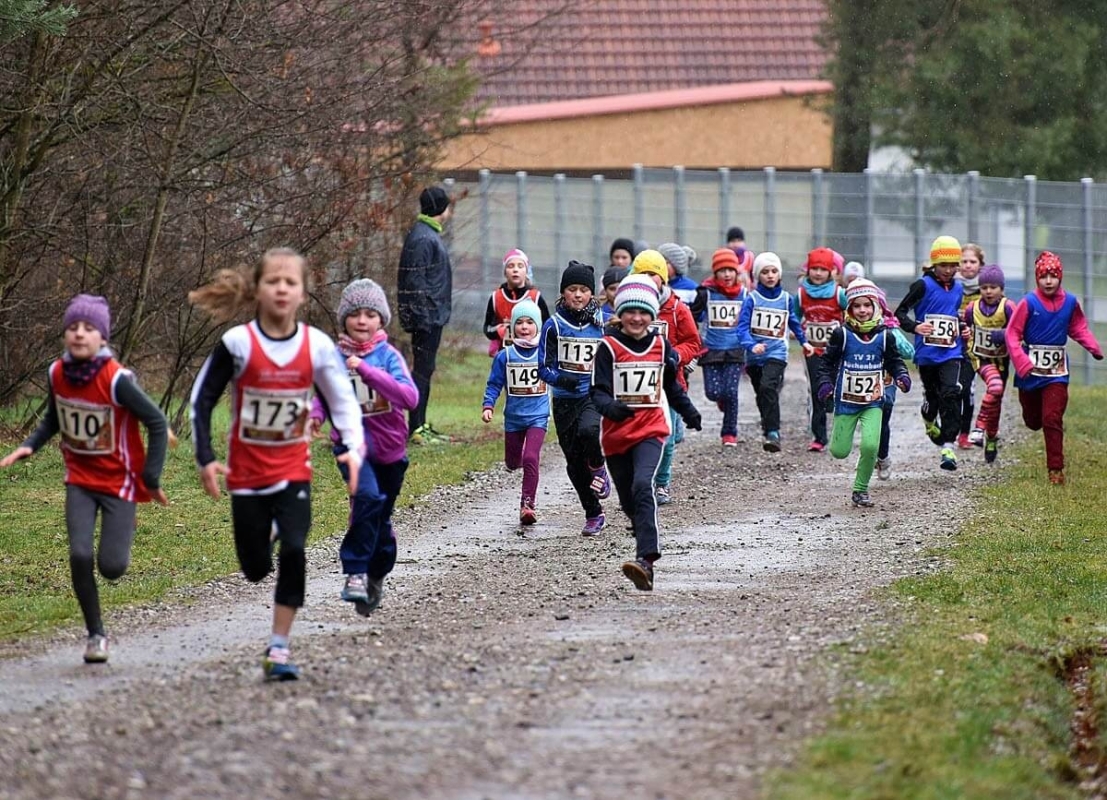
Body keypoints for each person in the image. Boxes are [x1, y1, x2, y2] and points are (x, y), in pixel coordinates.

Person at [189, 248, 365, 681]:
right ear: (258, 290)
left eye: (291, 283)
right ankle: (263, 538)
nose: (282, 289)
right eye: (274, 282)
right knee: (253, 570)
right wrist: (206, 458)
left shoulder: (317, 346)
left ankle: (280, 646)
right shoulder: (237, 344)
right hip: (246, 474)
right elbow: (202, 400)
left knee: (295, 547)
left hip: (292, 469)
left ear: (303, 293)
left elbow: (343, 402)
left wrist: (354, 450)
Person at [1, 295, 169, 665]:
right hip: (79, 480)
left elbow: (157, 423)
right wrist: (29, 446)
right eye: (73, 327)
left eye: (89, 328)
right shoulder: (56, 373)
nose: (79, 334)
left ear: (103, 338)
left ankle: (121, 528)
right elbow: (54, 419)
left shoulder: (118, 380)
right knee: (79, 554)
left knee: (112, 567)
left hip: (119, 484)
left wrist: (151, 477)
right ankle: (96, 634)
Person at [309, 278, 417, 615]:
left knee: (380, 521)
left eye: (370, 314)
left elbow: (409, 397)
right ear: (344, 319)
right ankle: (354, 572)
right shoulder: (334, 358)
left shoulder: (388, 357)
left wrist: (369, 372)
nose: (361, 320)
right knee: (366, 498)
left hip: (390, 450)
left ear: (381, 320)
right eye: (355, 313)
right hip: (351, 447)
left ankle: (375, 576)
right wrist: (314, 416)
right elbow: (323, 396)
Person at [591, 275, 701, 591]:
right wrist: (611, 408)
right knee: (628, 502)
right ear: (620, 312)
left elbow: (670, 385)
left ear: (652, 315)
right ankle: (644, 556)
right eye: (631, 312)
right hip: (615, 437)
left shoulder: (660, 344)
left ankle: (646, 560)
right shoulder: (608, 347)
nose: (637, 319)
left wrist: (689, 412)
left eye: (644, 313)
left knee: (643, 486)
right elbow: (596, 393)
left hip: (651, 429)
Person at [1006, 251, 1103, 485]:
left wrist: (1092, 346)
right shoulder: (1028, 302)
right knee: (1033, 421)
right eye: (1043, 276)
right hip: (1030, 373)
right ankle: (1033, 417)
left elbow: (1078, 327)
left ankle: (1056, 470)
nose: (1048, 281)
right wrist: (1022, 361)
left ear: (1060, 277)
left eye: (1053, 276)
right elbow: (1012, 334)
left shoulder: (1069, 303)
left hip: (1056, 374)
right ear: (1037, 278)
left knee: (1052, 418)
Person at [816, 279, 911, 507]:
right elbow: (827, 363)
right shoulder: (842, 334)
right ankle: (863, 463)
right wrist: (825, 384)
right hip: (847, 401)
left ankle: (860, 489)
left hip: (873, 402)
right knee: (839, 451)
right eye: (857, 306)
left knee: (870, 446)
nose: (862, 310)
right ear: (849, 309)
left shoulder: (885, 336)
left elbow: (895, 361)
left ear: (876, 307)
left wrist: (901, 376)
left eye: (867, 305)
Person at [538, 260, 609, 536]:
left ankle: (599, 466)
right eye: (572, 289)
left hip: (592, 395)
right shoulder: (553, 326)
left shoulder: (601, 325)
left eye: (583, 290)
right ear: (563, 294)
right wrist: (560, 378)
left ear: (591, 294)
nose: (578, 295)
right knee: (573, 463)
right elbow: (543, 368)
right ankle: (593, 513)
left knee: (590, 431)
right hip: (564, 400)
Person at [630, 249, 702, 505]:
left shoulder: (676, 308)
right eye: (642, 274)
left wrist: (674, 357)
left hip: (669, 384)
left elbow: (693, 342)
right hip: (636, 385)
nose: (649, 279)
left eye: (654, 274)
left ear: (663, 277)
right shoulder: (628, 308)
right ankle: (641, 481)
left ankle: (661, 484)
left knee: (667, 438)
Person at [895, 235, 965, 471]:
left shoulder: (959, 288)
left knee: (951, 392)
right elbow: (900, 313)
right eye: (943, 265)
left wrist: (961, 326)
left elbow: (952, 314)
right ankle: (928, 417)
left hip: (951, 352)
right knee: (934, 398)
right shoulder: (922, 285)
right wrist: (915, 327)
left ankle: (948, 445)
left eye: (953, 265)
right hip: (927, 354)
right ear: (934, 264)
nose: (948, 270)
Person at [736, 252, 814, 452]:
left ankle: (773, 433)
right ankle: (767, 423)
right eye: (765, 272)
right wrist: (751, 345)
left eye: (773, 271)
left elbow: (794, 323)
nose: (770, 275)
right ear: (757, 276)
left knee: (768, 387)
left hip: (777, 353)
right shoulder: (752, 299)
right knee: (762, 392)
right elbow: (742, 328)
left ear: (779, 274)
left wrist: (804, 342)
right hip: (754, 356)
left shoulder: (786, 299)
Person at [482, 299, 549, 526]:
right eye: (519, 322)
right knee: (513, 462)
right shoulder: (505, 356)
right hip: (514, 418)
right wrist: (488, 405)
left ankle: (527, 504)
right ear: (512, 327)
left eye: (530, 322)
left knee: (531, 456)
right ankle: (517, 463)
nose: (524, 327)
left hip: (538, 416)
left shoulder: (545, 353)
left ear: (538, 326)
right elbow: (494, 384)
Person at [398, 185, 453, 444]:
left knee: (425, 370)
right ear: (441, 208)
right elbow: (415, 280)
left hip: (432, 316)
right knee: (422, 371)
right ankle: (415, 427)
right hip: (427, 318)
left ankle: (419, 424)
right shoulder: (423, 238)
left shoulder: (427, 235)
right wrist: (421, 318)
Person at [692, 248, 748, 447]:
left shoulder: (744, 293)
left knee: (731, 391)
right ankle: (721, 400)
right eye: (722, 271)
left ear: (736, 272)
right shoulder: (706, 293)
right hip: (711, 349)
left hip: (735, 350)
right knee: (713, 392)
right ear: (715, 273)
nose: (727, 274)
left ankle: (729, 432)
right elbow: (693, 316)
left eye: (730, 270)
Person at [962, 265, 1015, 464]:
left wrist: (1002, 335)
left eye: (993, 287)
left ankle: (991, 437)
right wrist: (965, 336)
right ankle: (978, 428)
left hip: (1001, 361)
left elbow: (1019, 329)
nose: (988, 291)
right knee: (995, 386)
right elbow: (965, 328)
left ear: (1001, 288)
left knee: (996, 401)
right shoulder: (972, 308)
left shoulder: (1008, 307)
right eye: (984, 287)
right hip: (981, 359)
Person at [797, 247, 847, 452]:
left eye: (822, 269)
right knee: (817, 390)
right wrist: (798, 332)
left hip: (835, 352)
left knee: (835, 390)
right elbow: (793, 317)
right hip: (813, 351)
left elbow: (851, 314)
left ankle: (840, 428)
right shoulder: (801, 295)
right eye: (814, 268)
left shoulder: (839, 294)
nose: (818, 273)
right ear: (808, 270)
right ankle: (819, 436)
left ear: (831, 272)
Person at [482, 248, 549, 358]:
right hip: (504, 356)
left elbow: (547, 329)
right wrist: (499, 330)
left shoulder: (535, 297)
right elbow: (487, 328)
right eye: (510, 266)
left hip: (531, 357)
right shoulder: (496, 297)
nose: (515, 270)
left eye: (520, 266)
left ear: (526, 271)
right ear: (505, 272)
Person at [957, 243, 985, 448]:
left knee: (967, 390)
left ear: (980, 265)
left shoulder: (987, 288)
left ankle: (964, 433)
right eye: (964, 261)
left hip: (972, 349)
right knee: (949, 390)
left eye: (972, 261)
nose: (968, 266)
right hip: (949, 346)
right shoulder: (951, 286)